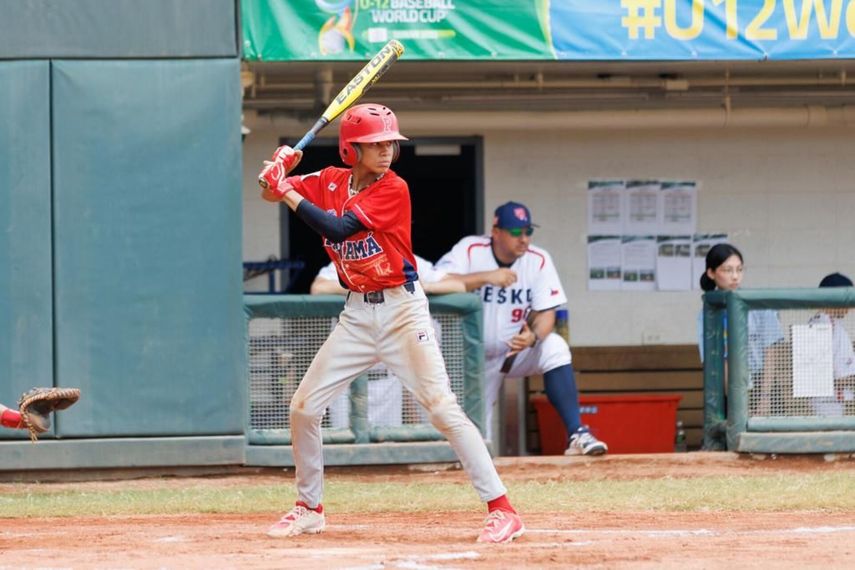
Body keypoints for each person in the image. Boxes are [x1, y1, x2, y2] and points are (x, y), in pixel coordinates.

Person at [257, 103, 524, 544]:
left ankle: (503, 509)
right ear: (351, 149)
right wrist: (277, 171)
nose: (386, 151)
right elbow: (271, 191)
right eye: (375, 144)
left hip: (402, 311)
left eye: (389, 143)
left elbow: (337, 228)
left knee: (441, 408)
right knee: (303, 407)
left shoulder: (393, 188)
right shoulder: (327, 181)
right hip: (357, 313)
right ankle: (309, 508)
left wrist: (285, 189)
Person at [436, 201, 608, 456]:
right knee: (472, 444)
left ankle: (577, 432)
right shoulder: (471, 250)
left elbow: (547, 312)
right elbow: (436, 282)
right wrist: (486, 276)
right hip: (469, 361)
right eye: (516, 233)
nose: (524, 239)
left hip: (513, 354)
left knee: (554, 345)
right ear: (496, 232)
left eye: (528, 232)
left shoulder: (538, 260)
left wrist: (533, 336)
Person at [312, 255, 464, 428]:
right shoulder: (352, 256)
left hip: (387, 381)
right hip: (347, 381)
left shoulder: (407, 260)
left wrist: (419, 285)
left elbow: (458, 285)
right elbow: (319, 287)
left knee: (387, 443)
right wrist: (368, 285)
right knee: (345, 445)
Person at [698, 243, 784, 413]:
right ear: (711, 273)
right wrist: (733, 400)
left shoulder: (760, 306)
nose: (735, 276)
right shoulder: (706, 313)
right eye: (727, 270)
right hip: (725, 388)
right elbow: (713, 361)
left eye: (739, 269)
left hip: (762, 385)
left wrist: (765, 398)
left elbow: (770, 352)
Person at [807, 272, 855, 416]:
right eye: (848, 299)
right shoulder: (823, 324)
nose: (850, 306)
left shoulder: (831, 323)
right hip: (827, 403)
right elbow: (838, 375)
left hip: (833, 401)